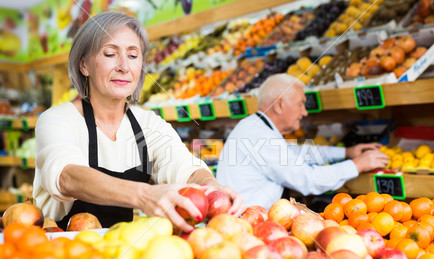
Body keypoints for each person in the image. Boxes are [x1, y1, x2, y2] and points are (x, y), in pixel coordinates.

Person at [33, 12, 245, 233]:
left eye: (133, 56)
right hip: (60, 252)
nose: (124, 66)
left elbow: (184, 166)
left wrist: (212, 189)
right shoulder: (58, 120)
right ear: (84, 65)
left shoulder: (148, 124)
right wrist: (144, 195)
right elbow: (67, 177)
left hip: (121, 254)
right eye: (110, 54)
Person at [216, 74, 389, 210]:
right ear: (279, 105)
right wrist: (356, 165)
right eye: (301, 104)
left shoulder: (254, 126)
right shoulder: (259, 136)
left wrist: (346, 153)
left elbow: (294, 152)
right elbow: (309, 180)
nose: (305, 112)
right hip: (251, 227)